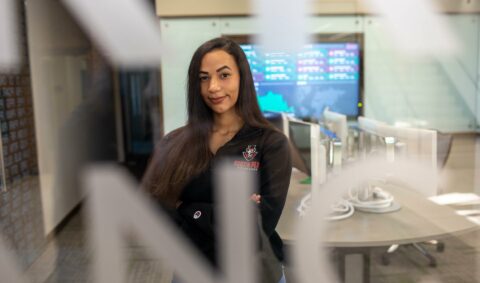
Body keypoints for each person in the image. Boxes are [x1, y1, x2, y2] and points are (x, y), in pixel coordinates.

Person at [142, 37, 292, 282]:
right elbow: (155, 212)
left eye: (224, 75)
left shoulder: (270, 144)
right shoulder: (175, 142)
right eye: (203, 78)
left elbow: (256, 230)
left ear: (242, 78)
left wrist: (187, 208)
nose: (213, 87)